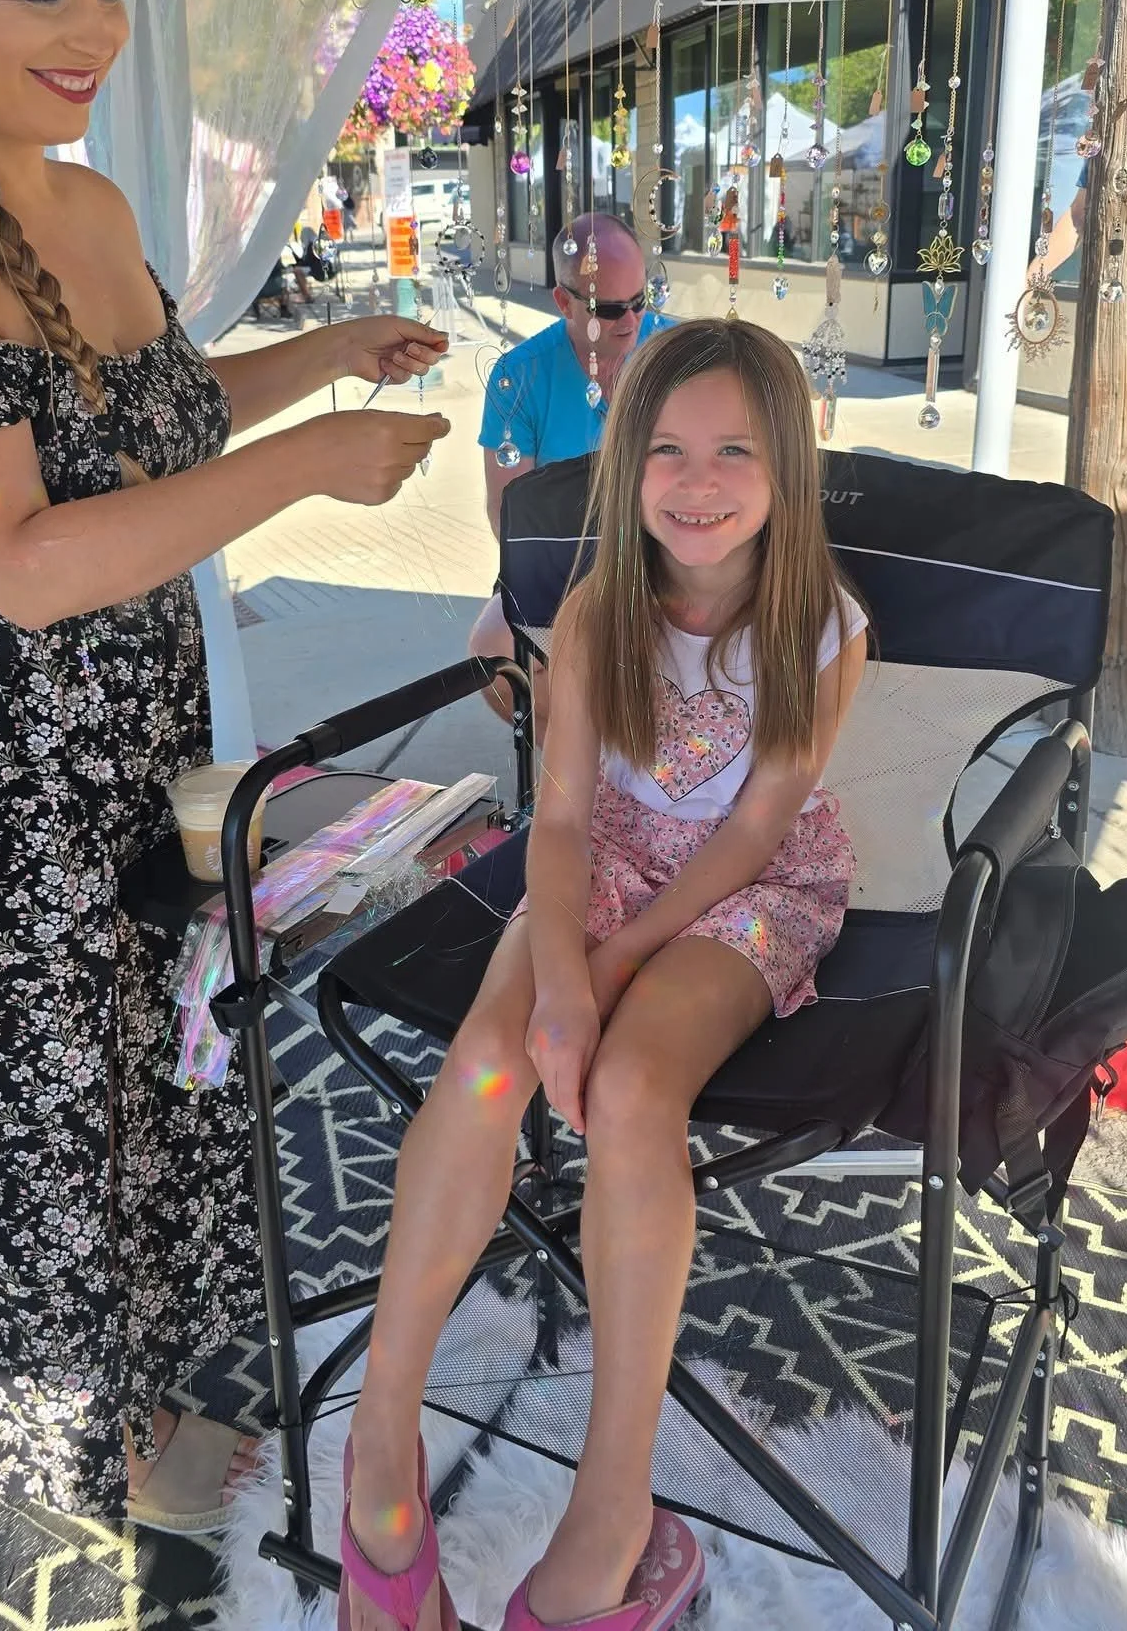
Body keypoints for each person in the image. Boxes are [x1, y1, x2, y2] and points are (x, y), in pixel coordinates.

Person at [0, 0, 450, 1529]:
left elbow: (143, 427)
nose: (92, 34)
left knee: (139, 1121)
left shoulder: (81, 201)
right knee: (17, 1156)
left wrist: (316, 361)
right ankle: (37, 1472)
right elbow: (20, 561)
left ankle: (127, 1424)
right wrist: (310, 470)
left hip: (116, 765)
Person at [341, 317, 868, 1631]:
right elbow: (564, 822)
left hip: (746, 892)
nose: (699, 483)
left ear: (787, 468)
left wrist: (616, 966)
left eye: (736, 450)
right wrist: (563, 983)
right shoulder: (593, 611)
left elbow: (753, 831)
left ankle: (613, 1505)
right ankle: (378, 1442)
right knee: (482, 1062)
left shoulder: (824, 627)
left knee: (637, 1091)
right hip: (603, 859)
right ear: (630, 463)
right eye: (671, 451)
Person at [468, 212, 667, 728]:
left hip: (672, 555)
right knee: (494, 652)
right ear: (563, 302)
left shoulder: (678, 355)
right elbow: (507, 514)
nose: (631, 321)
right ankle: (575, 775)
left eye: (641, 302)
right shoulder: (520, 375)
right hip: (565, 561)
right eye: (609, 307)